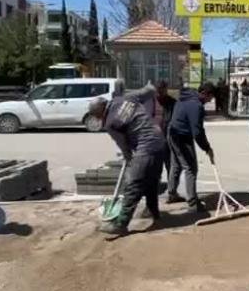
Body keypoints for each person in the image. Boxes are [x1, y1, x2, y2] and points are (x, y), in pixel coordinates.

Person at [89, 83, 167, 236]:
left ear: (99, 113)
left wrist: (130, 160)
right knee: (151, 181)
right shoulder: (127, 98)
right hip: (159, 140)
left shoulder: (110, 123)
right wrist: (152, 85)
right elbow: (149, 90)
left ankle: (121, 224)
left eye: (96, 116)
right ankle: (154, 213)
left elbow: (125, 148)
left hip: (146, 146)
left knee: (134, 184)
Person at [167, 82, 217, 212]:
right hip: (181, 137)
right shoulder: (196, 106)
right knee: (190, 168)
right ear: (205, 94)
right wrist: (207, 148)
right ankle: (193, 202)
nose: (211, 100)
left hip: (172, 132)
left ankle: (172, 194)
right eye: (211, 97)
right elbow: (198, 132)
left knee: (176, 165)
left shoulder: (186, 96)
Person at [155, 81, 176, 179]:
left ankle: (171, 189)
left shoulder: (172, 102)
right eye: (158, 89)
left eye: (162, 89)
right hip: (154, 139)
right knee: (155, 166)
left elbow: (174, 119)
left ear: (166, 89)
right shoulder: (152, 102)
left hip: (168, 138)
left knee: (170, 164)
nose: (159, 92)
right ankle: (154, 187)